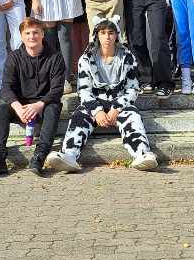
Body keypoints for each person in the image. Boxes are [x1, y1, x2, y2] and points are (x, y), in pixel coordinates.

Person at [45, 15, 158, 172]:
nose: (107, 37)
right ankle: (69, 155)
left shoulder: (128, 57)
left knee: (133, 117)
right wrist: (97, 111)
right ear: (97, 35)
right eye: (103, 33)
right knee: (79, 116)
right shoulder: (86, 59)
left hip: (119, 102)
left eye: (111, 33)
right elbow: (84, 91)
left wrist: (116, 108)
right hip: (95, 101)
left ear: (117, 35)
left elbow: (133, 89)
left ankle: (142, 154)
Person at [0, 18, 65, 176]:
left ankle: (39, 156)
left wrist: (39, 105)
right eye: (27, 33)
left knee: (54, 107)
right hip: (22, 106)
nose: (32, 36)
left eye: (35, 32)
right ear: (22, 36)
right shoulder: (14, 57)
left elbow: (57, 89)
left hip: (44, 105)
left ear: (42, 34)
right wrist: (17, 107)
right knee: (2, 109)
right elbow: (6, 87)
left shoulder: (55, 57)